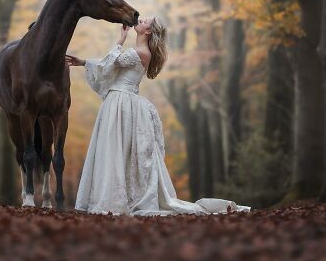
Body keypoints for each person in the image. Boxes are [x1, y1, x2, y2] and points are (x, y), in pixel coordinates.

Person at [65, 17, 250, 216]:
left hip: (122, 103)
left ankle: (116, 201)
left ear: (149, 31)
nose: (140, 19)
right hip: (118, 102)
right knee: (113, 150)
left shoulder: (140, 53)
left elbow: (109, 64)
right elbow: (108, 65)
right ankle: (116, 197)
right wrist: (82, 62)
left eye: (145, 21)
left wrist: (120, 39)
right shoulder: (137, 52)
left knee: (116, 148)